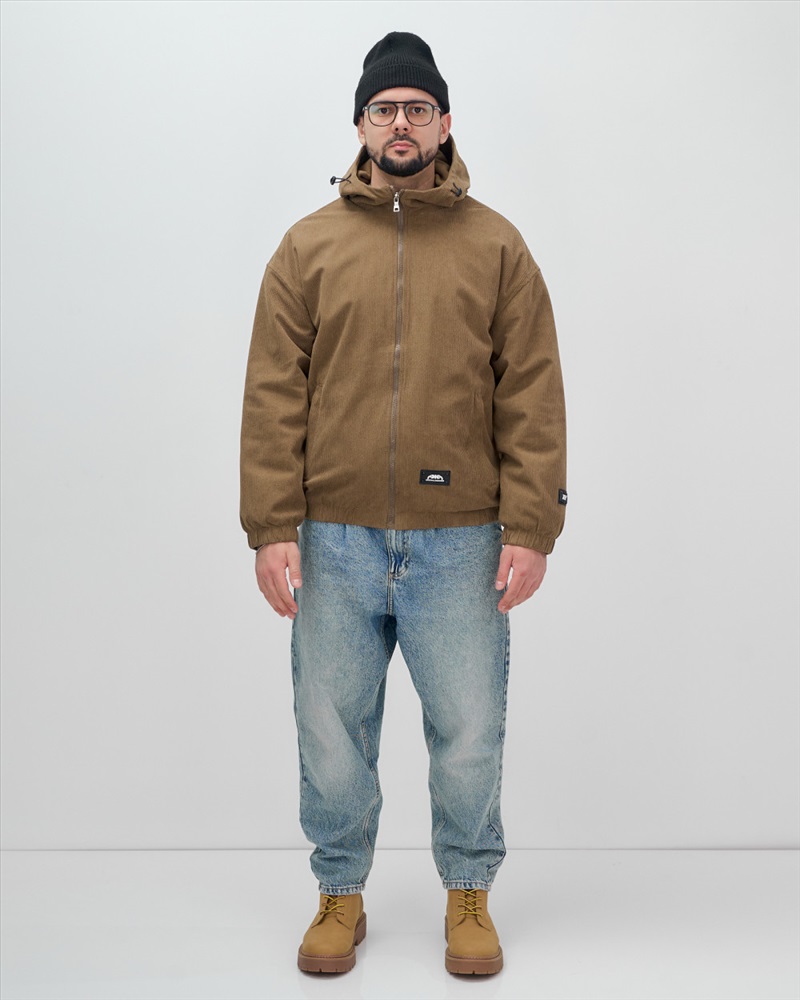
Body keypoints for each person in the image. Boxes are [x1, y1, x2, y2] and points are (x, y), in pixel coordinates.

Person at [239, 30, 567, 976]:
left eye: (417, 109)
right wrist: (271, 525)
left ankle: (469, 891)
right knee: (330, 729)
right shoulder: (307, 246)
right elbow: (273, 393)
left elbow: (531, 390)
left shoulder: (497, 246)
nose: (400, 124)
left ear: (444, 122)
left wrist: (532, 525)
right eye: (384, 109)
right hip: (332, 538)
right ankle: (340, 893)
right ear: (360, 125)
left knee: (467, 731)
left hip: (461, 540)